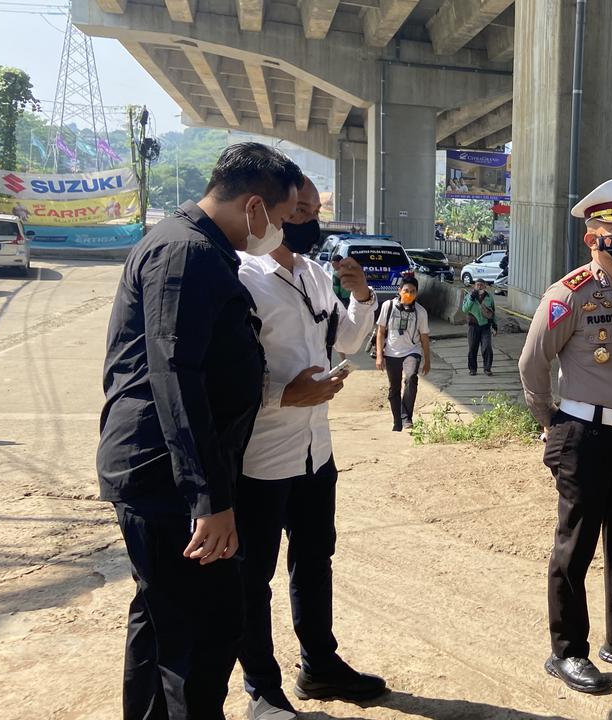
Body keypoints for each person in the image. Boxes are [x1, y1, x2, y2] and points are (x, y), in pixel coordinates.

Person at [96, 142, 301, 720]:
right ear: (255, 205)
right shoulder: (186, 254)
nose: (280, 231)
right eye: (282, 218)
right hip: (167, 479)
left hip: (165, 473)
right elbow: (175, 378)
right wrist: (208, 498)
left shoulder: (196, 246)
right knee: (203, 633)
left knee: (161, 621)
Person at [235, 178, 386, 720]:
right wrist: (282, 394)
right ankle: (261, 688)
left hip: (315, 452)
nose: (309, 218)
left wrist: (362, 295)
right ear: (269, 210)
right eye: (299, 208)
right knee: (254, 578)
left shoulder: (315, 273)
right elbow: (226, 374)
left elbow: (345, 341)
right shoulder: (242, 277)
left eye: (315, 209)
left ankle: (319, 664)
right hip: (261, 457)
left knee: (315, 559)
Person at [518, 177, 612, 694]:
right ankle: (567, 652)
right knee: (575, 548)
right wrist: (550, 423)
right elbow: (533, 364)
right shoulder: (568, 295)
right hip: (583, 433)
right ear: (592, 237)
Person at [375, 274, 431, 431]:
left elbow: (424, 337)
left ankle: (407, 418)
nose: (409, 294)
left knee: (411, 378)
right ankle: (397, 421)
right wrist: (380, 355)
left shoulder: (421, 312)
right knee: (394, 388)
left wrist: (427, 360)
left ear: (417, 294)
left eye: (413, 291)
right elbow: (380, 332)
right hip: (392, 353)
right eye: (406, 290)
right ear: (399, 290)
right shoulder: (388, 306)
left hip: (412, 351)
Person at [462, 279, 496, 376]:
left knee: (487, 347)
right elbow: (465, 309)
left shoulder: (489, 297)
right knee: (472, 348)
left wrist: (494, 325)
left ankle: (487, 368)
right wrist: (471, 299)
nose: (479, 287)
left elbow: (493, 312)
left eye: (481, 285)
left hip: (485, 326)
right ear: (474, 286)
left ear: (485, 286)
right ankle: (472, 369)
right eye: (477, 285)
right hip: (473, 326)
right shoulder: (469, 296)